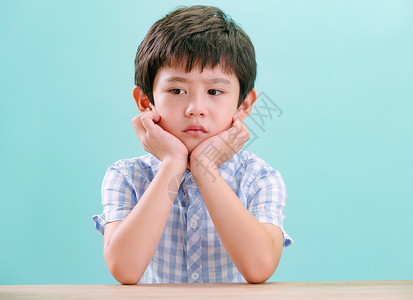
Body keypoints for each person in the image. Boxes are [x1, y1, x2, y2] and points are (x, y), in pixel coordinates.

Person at [92, 5, 293, 284]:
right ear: (145, 101)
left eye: (214, 91)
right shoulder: (127, 176)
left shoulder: (259, 178)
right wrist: (173, 163)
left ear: (244, 104)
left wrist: (204, 165)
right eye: (177, 90)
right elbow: (124, 269)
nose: (195, 108)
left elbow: (259, 268)